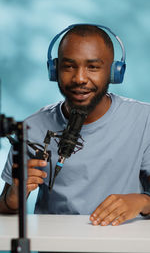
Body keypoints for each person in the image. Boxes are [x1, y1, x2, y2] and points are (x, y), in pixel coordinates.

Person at [1, 24, 150, 227]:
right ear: (54, 70)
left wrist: (143, 201)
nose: (80, 78)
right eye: (69, 66)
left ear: (114, 72)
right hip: (57, 246)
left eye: (93, 67)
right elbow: (5, 208)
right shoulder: (32, 128)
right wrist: (12, 198)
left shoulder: (144, 119)